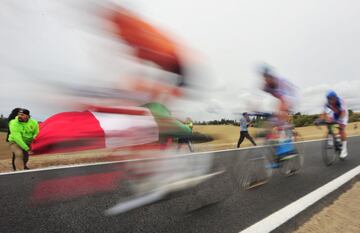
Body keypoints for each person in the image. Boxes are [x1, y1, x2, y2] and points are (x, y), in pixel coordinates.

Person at [322, 90, 348, 159]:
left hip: (343, 114)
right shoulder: (327, 103)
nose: (330, 101)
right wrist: (324, 119)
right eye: (329, 99)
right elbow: (324, 114)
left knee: (341, 129)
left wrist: (339, 121)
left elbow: (343, 112)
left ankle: (344, 150)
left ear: (335, 98)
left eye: (332, 99)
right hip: (335, 114)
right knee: (328, 123)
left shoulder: (341, 100)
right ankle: (331, 138)